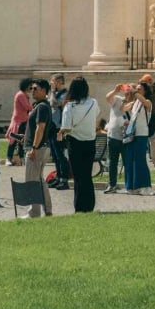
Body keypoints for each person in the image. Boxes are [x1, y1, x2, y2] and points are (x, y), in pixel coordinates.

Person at [59, 76, 99, 214]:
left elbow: (66, 127)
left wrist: (61, 131)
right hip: (90, 141)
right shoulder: (93, 102)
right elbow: (96, 115)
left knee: (78, 176)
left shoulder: (70, 106)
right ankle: (89, 205)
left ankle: (79, 206)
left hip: (75, 142)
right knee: (87, 175)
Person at [23, 79, 54, 217]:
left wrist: (34, 147)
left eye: (35, 88)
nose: (32, 91)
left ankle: (34, 212)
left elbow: (40, 128)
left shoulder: (41, 107)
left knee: (32, 180)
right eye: (31, 88)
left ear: (44, 91)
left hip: (37, 148)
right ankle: (48, 209)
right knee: (40, 180)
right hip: (42, 147)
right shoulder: (43, 106)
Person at [121, 83, 153, 195]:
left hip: (142, 134)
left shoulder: (147, 102)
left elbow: (145, 102)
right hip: (132, 134)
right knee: (129, 160)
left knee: (140, 160)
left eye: (139, 89)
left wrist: (134, 92)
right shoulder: (134, 103)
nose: (137, 91)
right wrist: (127, 95)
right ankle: (131, 186)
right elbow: (123, 108)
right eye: (136, 89)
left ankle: (145, 186)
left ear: (145, 91)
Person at [48, 72, 69, 189]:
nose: (51, 83)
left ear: (59, 82)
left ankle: (64, 179)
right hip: (52, 127)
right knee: (55, 155)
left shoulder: (65, 94)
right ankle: (58, 177)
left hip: (59, 128)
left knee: (60, 154)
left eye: (53, 81)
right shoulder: (54, 93)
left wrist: (52, 91)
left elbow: (53, 103)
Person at [103, 86, 126, 192]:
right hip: (114, 135)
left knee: (128, 162)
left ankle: (129, 185)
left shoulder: (136, 103)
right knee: (113, 162)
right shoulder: (118, 99)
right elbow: (108, 97)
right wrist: (115, 91)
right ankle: (112, 184)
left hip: (127, 137)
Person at [6, 77, 31, 165]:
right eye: (30, 86)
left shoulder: (24, 95)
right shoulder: (20, 95)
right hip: (18, 121)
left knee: (21, 141)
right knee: (13, 141)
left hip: (23, 120)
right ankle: (9, 158)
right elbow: (27, 107)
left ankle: (21, 158)